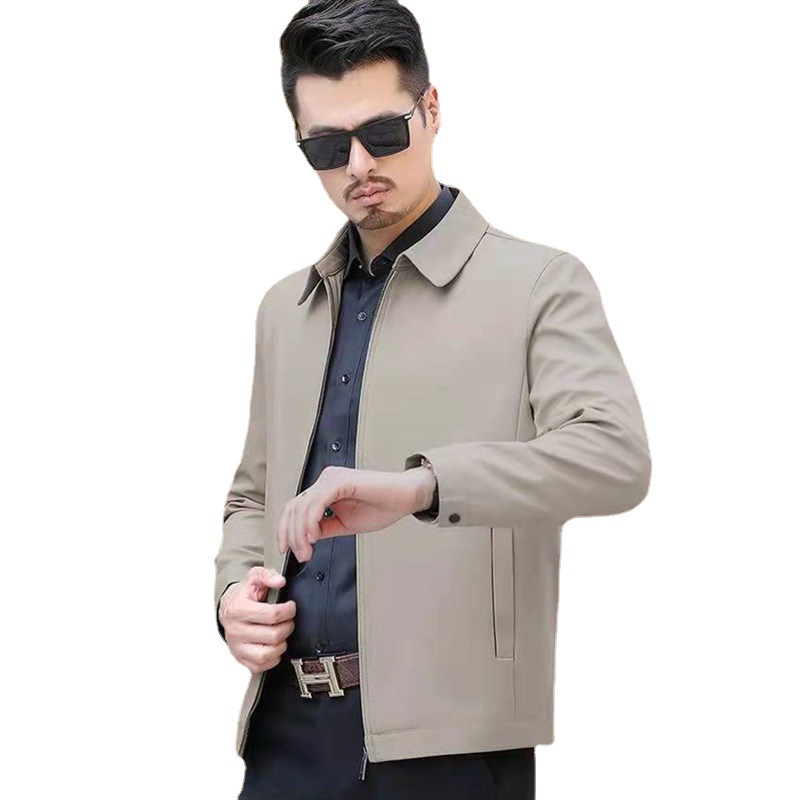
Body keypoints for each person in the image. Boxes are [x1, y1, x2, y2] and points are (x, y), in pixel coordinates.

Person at [214, 1, 651, 798]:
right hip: (283, 738)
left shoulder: (539, 284)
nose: (358, 166)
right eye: (326, 147)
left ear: (433, 110)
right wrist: (233, 595)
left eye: (383, 132)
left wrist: (424, 486)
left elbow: (614, 457)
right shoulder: (285, 308)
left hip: (450, 749)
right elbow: (253, 493)